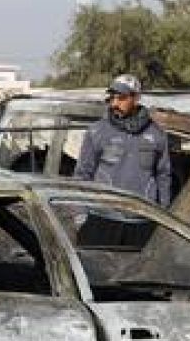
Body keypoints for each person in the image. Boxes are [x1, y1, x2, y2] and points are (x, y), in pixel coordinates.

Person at [74, 75, 172, 248]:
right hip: (101, 220)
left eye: (121, 98)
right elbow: (82, 175)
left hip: (142, 223)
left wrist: (163, 218)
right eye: (112, 98)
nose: (115, 103)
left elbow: (163, 176)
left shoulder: (157, 135)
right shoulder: (97, 131)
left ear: (136, 98)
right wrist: (80, 215)